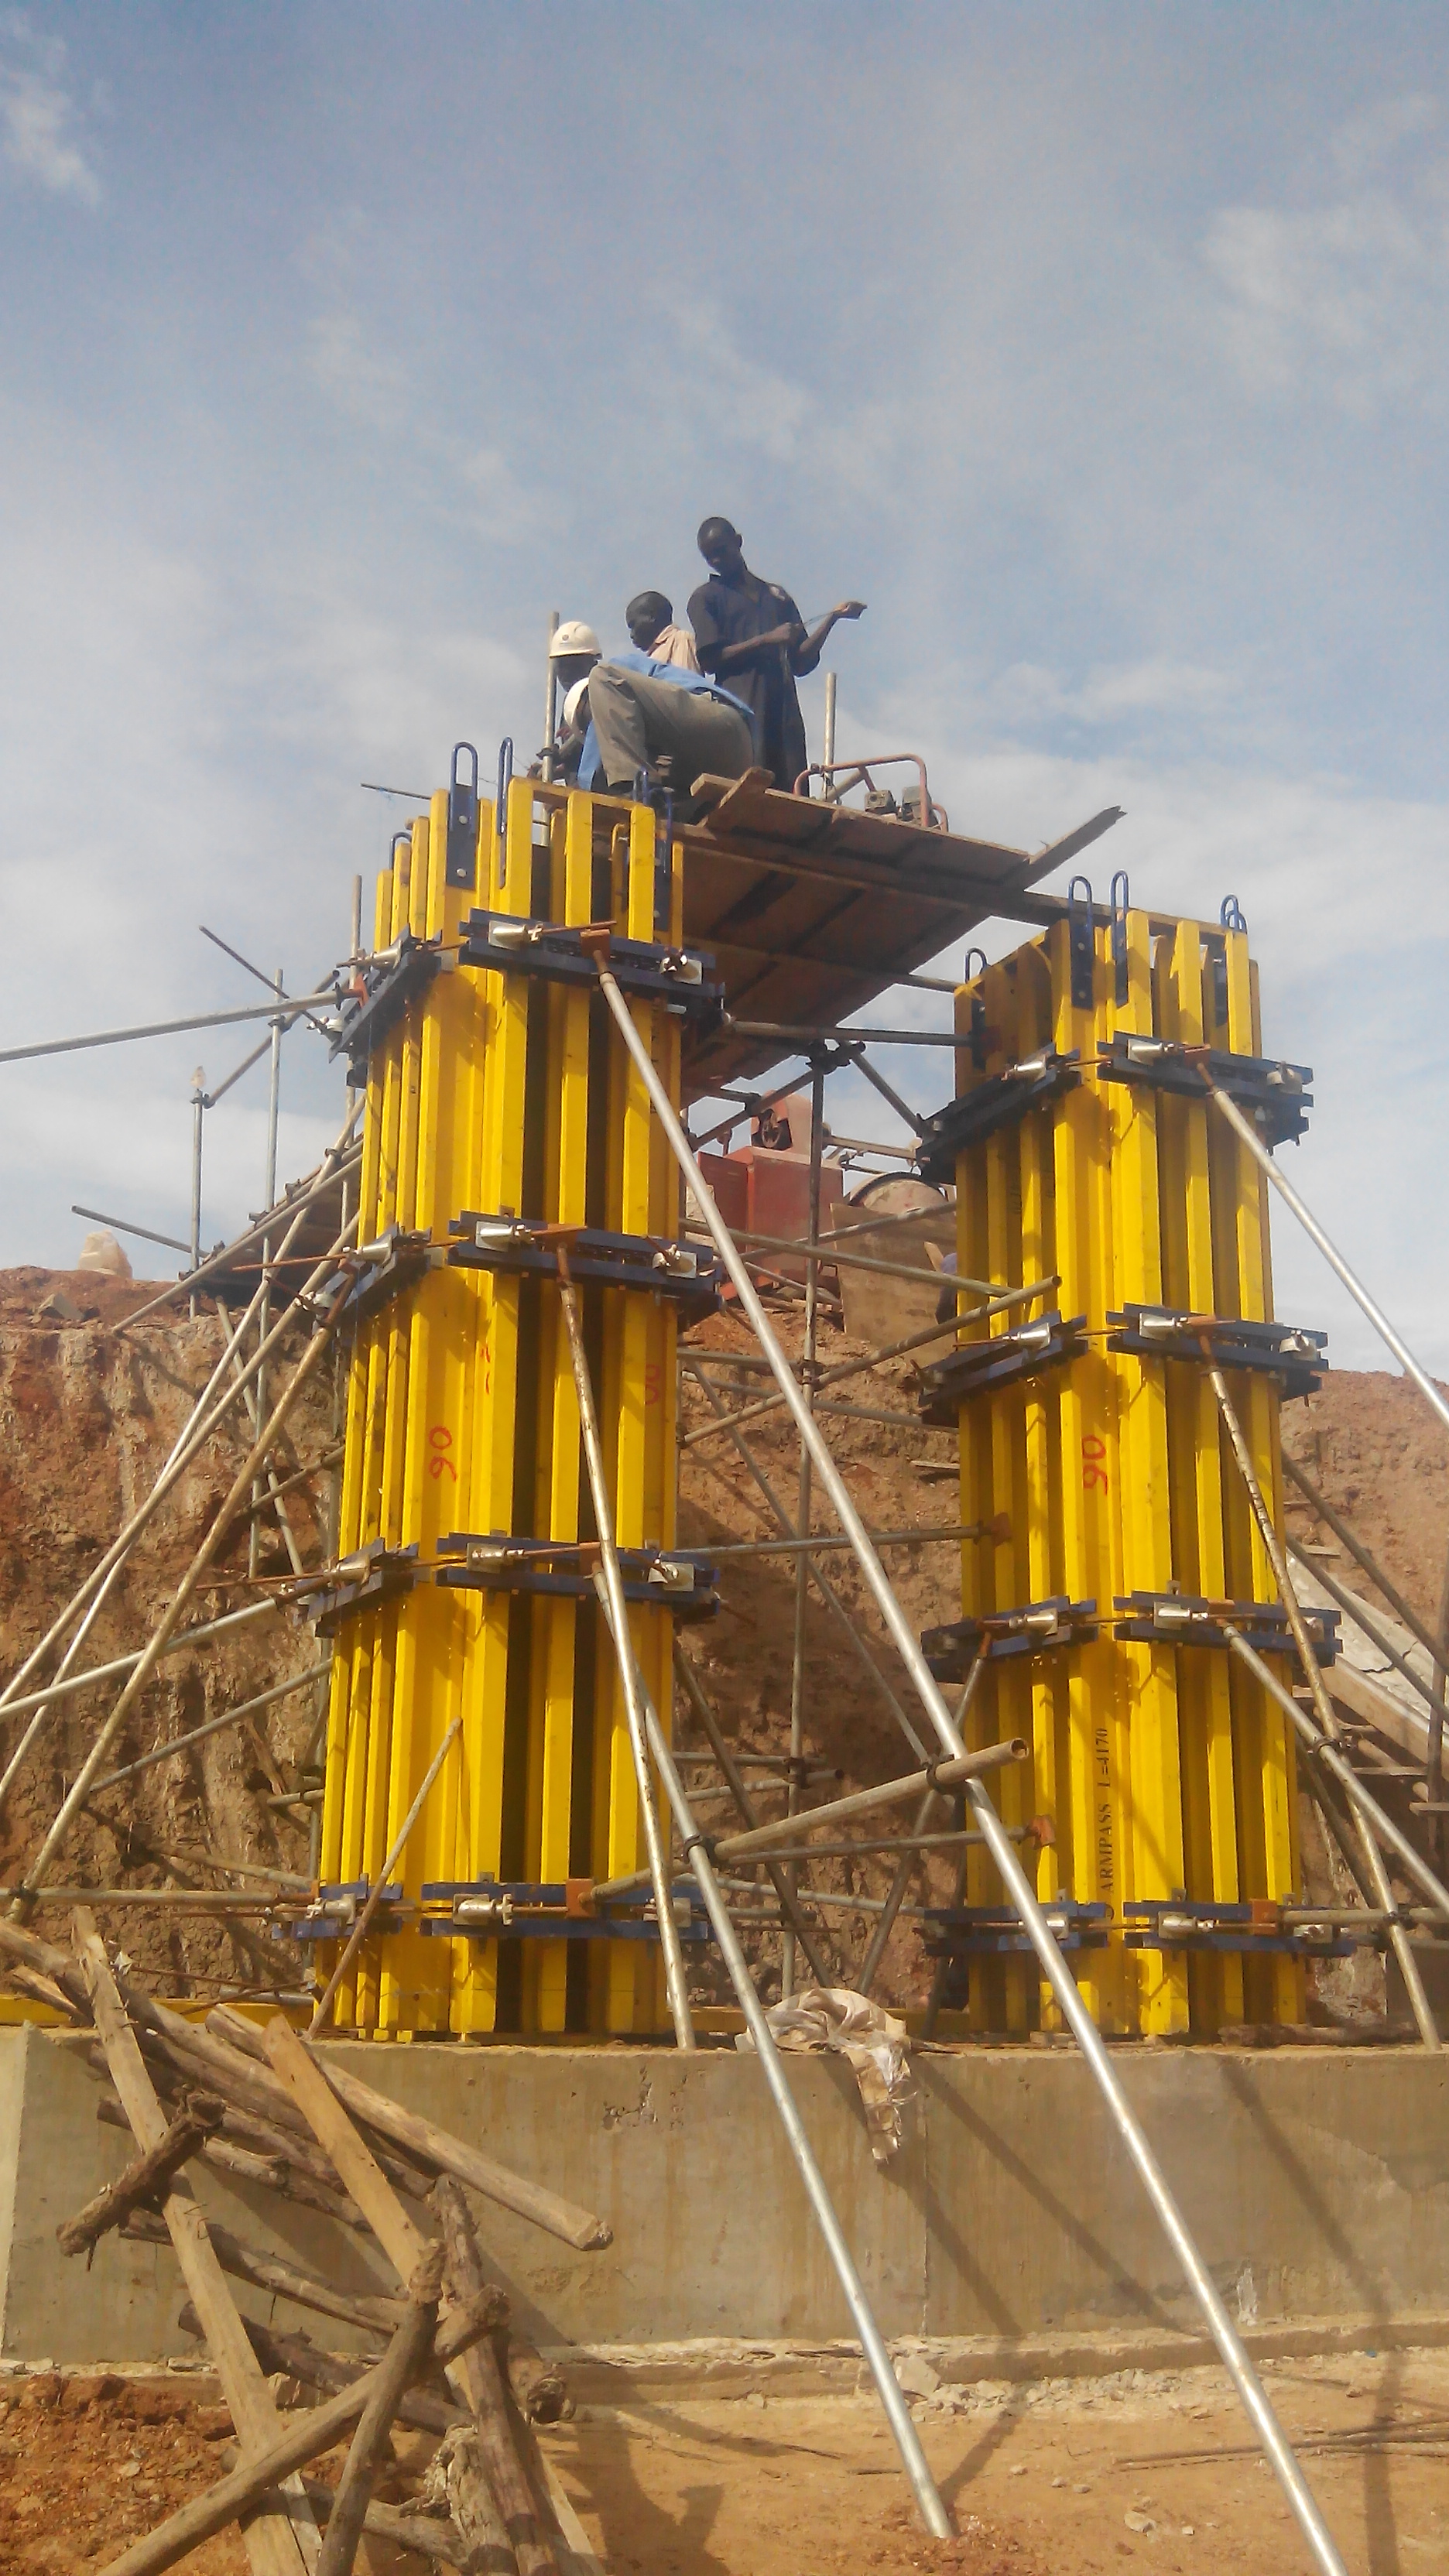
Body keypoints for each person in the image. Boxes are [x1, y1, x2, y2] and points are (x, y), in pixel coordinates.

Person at [687, 519, 865, 791]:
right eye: (709, 556)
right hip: (741, 710)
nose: (716, 560)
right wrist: (767, 639)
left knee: (791, 785)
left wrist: (833, 618)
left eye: (721, 550)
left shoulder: (777, 597)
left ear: (738, 542)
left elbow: (801, 662)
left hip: (784, 714)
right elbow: (710, 660)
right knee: (749, 785)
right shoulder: (706, 597)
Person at [570, 646, 755, 801]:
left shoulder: (614, 673)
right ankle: (646, 792)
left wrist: (582, 782)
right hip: (728, 761)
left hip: (722, 725)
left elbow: (602, 716)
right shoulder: (649, 722)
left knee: (603, 676)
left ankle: (634, 790)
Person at [625, 590, 700, 671]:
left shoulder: (680, 639)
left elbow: (685, 681)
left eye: (633, 625)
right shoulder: (654, 655)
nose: (631, 635)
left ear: (651, 617)